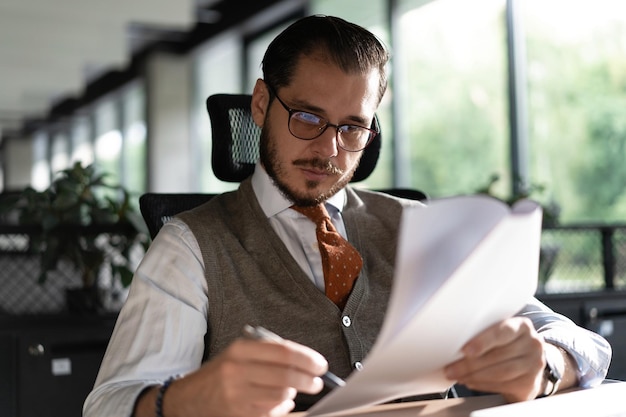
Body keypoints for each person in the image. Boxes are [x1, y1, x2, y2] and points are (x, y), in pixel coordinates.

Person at [83, 15, 611, 417]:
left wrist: (544, 366)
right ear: (262, 104)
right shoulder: (190, 245)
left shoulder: (416, 225)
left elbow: (585, 345)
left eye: (352, 127)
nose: (330, 151)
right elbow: (108, 404)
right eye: (309, 117)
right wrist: (188, 398)